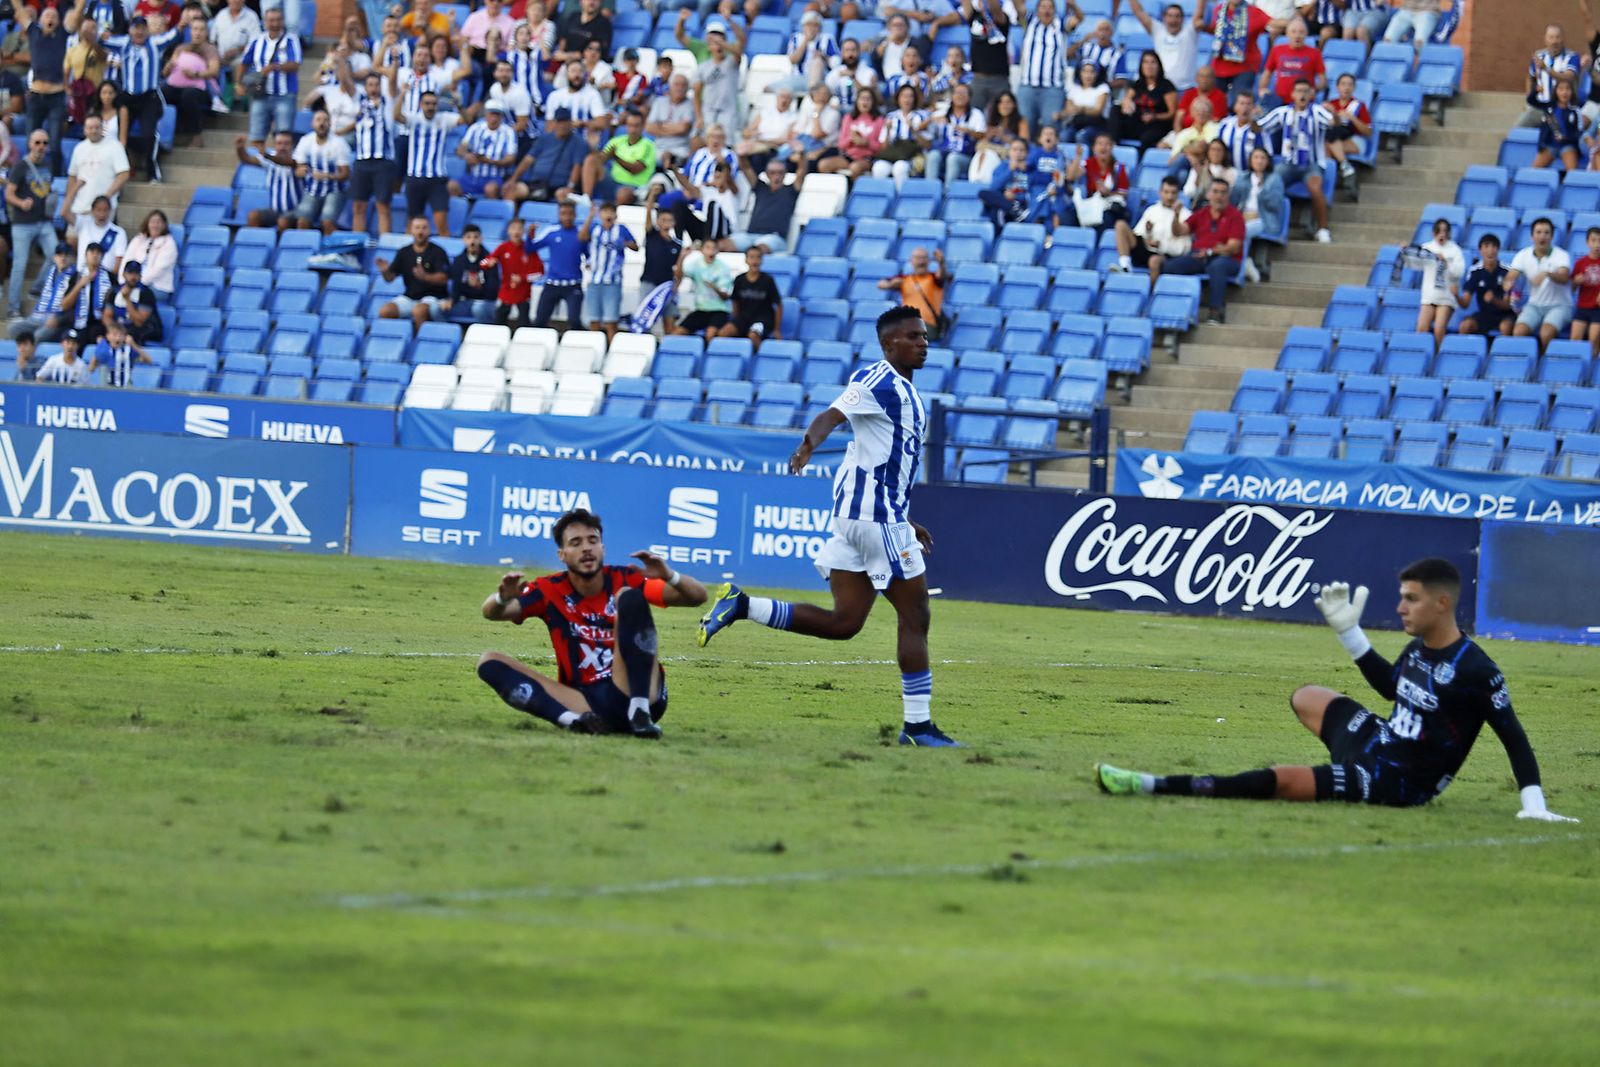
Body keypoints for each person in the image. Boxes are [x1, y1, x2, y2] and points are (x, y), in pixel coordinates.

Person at [1095, 559, 1578, 821]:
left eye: (1411, 599)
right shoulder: (1417, 648)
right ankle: (1345, 765)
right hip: (1379, 743)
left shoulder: (1476, 669)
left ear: (1442, 602)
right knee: (1307, 696)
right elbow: (1393, 690)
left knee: (1282, 780)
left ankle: (1150, 784)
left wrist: (1534, 806)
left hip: (1398, 783)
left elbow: (1513, 736)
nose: (1402, 607)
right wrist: (1352, 635)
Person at [699, 305, 959, 748]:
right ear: (888, 345)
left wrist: (906, 519)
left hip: (868, 518)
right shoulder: (876, 380)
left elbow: (879, 463)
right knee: (916, 615)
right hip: (874, 521)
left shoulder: (906, 393)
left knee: (845, 622)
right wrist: (806, 447)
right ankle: (918, 728)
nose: (922, 343)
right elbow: (831, 416)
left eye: (924, 336)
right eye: (912, 337)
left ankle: (743, 606)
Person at [477, 508, 710, 738]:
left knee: (630, 597)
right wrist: (501, 598)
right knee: (489, 662)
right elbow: (494, 612)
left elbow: (697, 596)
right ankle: (573, 722)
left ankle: (639, 712)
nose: (586, 548)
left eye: (592, 540)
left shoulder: (625, 578)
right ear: (562, 554)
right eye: (576, 543)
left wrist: (669, 575)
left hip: (640, 691)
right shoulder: (548, 589)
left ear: (602, 547)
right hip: (587, 702)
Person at [1255, 79, 1333, 243]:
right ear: (1292, 94)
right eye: (1298, 91)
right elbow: (1261, 127)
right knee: (1269, 183)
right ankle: (1267, 223)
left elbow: (1333, 122)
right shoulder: (1283, 112)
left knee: (1315, 187)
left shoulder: (1317, 111)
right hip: (1287, 163)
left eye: (1305, 91)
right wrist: (1250, 116)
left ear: (1311, 94)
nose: (1302, 94)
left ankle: (1323, 229)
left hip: (1312, 164)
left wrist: (1336, 115)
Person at [1164, 177, 1245, 324]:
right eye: (1215, 192)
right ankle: (1177, 310)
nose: (1219, 196)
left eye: (1223, 193)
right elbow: (1179, 231)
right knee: (1170, 266)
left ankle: (1215, 311)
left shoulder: (1236, 216)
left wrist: (1211, 251)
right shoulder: (1201, 213)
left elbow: (1233, 247)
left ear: (1228, 196)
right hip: (1200, 256)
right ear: (1208, 194)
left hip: (1227, 260)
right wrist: (1175, 216)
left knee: (1217, 266)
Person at [394, 87, 462, 236]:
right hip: (414, 178)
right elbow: (396, 116)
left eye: (433, 103)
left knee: (441, 223)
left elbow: (466, 120)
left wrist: (459, 104)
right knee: (412, 223)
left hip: (437, 179)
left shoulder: (444, 119)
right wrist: (403, 94)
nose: (430, 107)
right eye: (427, 103)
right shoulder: (414, 119)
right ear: (421, 105)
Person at [4, 129, 57, 320]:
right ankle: (13, 308)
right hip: (22, 223)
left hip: (43, 221)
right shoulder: (20, 167)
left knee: (56, 256)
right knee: (19, 265)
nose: (41, 147)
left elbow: (47, 188)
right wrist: (20, 203)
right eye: (37, 143)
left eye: (44, 143)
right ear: (29, 144)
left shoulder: (49, 164)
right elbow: (9, 194)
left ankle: (36, 288)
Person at [1064, 133, 1134, 267]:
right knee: (1069, 214)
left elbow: (1124, 194)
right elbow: (1071, 177)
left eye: (1107, 144)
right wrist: (1078, 157)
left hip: (1109, 207)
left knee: (1106, 219)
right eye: (1100, 144)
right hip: (1092, 207)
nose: (1103, 147)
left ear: (1112, 147)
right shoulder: (1089, 163)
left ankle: (1096, 257)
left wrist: (1108, 193)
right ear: (1094, 148)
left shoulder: (1119, 168)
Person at [1505, 216, 1573, 350]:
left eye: (1546, 233)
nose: (1542, 236)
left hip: (1560, 306)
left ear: (1552, 236)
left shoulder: (1561, 255)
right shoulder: (1523, 255)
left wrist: (1547, 274)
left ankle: (1544, 364)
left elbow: (1564, 277)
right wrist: (1509, 283)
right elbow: (1511, 276)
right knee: (1518, 332)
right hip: (1534, 305)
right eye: (1539, 232)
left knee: (1546, 333)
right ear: (1532, 236)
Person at [341, 70, 396, 236]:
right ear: (365, 87)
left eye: (377, 84)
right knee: (358, 205)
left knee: (383, 206)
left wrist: (393, 59)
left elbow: (393, 82)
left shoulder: (389, 102)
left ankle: (385, 243)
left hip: (383, 161)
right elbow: (346, 81)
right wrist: (341, 59)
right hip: (361, 160)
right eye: (370, 85)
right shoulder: (359, 102)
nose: (374, 88)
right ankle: (358, 243)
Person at [242, 8, 302, 152]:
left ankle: (283, 170)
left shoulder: (291, 40)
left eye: (278, 20)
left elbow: (295, 64)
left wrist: (276, 67)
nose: (275, 23)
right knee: (257, 136)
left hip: (285, 95)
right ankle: (258, 166)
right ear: (265, 22)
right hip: (260, 95)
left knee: (284, 136)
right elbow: (244, 62)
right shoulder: (257, 40)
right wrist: (239, 83)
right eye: (271, 20)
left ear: (283, 22)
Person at [61, 115, 131, 238]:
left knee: (98, 243)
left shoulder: (114, 146)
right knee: (72, 239)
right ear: (84, 129)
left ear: (102, 128)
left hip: (103, 208)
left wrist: (106, 197)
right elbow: (72, 176)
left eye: (97, 127)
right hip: (80, 205)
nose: (93, 130)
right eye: (90, 128)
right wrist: (70, 199)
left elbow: (124, 174)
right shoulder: (79, 148)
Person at [377, 215, 452, 329]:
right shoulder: (404, 252)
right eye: (417, 228)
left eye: (424, 228)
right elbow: (390, 278)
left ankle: (419, 341)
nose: (420, 231)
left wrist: (426, 277)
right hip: (409, 297)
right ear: (411, 230)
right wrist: (385, 271)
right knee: (385, 311)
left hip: (433, 297)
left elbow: (444, 278)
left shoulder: (438, 252)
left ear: (429, 230)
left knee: (419, 311)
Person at [21, 5, 71, 173]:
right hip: (35, 96)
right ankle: (29, 178)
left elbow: (77, 14)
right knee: (31, 141)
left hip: (56, 96)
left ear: (59, 21)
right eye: (47, 15)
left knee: (55, 143)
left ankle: (56, 178)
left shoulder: (63, 35)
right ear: (40, 20)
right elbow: (19, 11)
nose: (50, 19)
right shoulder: (34, 33)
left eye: (54, 16)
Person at [578, 200, 635, 340]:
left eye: (611, 211)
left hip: (613, 280)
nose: (608, 214)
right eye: (605, 211)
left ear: (616, 215)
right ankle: (594, 349)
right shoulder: (595, 228)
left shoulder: (621, 229)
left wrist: (625, 243)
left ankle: (611, 351)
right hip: (594, 280)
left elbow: (636, 246)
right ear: (600, 214)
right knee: (594, 320)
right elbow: (581, 237)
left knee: (611, 321)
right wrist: (590, 217)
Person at [505, 107, 588, 203]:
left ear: (570, 123)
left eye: (565, 122)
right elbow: (528, 160)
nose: (562, 125)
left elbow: (577, 167)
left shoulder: (578, 143)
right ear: (555, 123)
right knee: (511, 189)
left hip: (559, 186)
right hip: (537, 184)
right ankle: (513, 217)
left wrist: (570, 187)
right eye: (559, 122)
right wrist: (513, 179)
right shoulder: (544, 138)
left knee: (562, 195)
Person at [683, 13, 745, 141]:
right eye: (714, 43)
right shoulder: (703, 66)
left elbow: (741, 43)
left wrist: (729, 21)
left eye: (720, 41)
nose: (717, 46)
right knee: (700, 140)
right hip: (708, 111)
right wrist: (699, 116)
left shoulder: (732, 61)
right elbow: (696, 93)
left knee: (725, 143)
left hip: (728, 111)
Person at [290, 108, 352, 235]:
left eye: (325, 120)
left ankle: (330, 252)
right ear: (312, 124)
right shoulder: (305, 141)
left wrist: (327, 176)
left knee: (327, 222)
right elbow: (299, 168)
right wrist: (299, 172)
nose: (322, 123)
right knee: (302, 221)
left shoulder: (339, 143)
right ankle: (305, 250)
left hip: (335, 190)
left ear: (330, 124)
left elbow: (346, 174)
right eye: (318, 120)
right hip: (312, 190)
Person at [1015, 0, 1072, 134]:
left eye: (1050, 7)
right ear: (1037, 10)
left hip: (1053, 87)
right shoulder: (1029, 21)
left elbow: (1079, 19)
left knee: (1050, 126)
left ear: (1054, 10)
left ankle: (1050, 155)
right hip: (1028, 84)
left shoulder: (1061, 24)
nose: (1046, 10)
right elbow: (1018, 6)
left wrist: (1073, 5)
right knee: (1025, 126)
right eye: (1043, 7)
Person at [1195, 0, 1270, 102]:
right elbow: (1214, 29)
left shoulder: (1253, 12)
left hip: (1245, 66)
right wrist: (1202, 25)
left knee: (1239, 101)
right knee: (1213, 100)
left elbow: (1272, 23)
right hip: (1220, 65)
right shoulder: (1219, 10)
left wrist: (1293, 21)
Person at [528, 198, 585, 329]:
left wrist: (589, 263)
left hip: (573, 285)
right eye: (563, 213)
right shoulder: (552, 232)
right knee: (539, 321)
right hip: (552, 284)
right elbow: (530, 248)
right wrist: (530, 234)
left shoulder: (580, 234)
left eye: (570, 213)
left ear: (575, 215)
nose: (567, 217)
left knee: (574, 321)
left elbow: (588, 254)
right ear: (559, 215)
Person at [161, 21, 219, 148]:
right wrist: (168, 67)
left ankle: (197, 137)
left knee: (189, 95)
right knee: (161, 92)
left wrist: (196, 74)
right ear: (190, 32)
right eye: (195, 29)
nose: (198, 33)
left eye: (201, 30)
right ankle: (162, 133)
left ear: (206, 32)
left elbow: (214, 70)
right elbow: (166, 72)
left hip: (200, 88)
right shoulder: (181, 48)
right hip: (176, 85)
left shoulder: (210, 49)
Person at [1230, 144, 1283, 281]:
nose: (1259, 161)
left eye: (1263, 158)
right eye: (1256, 157)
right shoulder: (1243, 177)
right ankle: (1245, 261)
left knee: (1242, 230)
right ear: (1250, 160)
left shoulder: (1274, 179)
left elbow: (1275, 205)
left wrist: (1262, 191)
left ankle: (1239, 272)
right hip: (1242, 216)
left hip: (1263, 218)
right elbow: (1233, 201)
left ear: (1267, 161)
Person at [581, 108, 656, 205]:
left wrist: (616, 157)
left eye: (636, 126)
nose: (633, 130)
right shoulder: (617, 141)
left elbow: (636, 169)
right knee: (591, 160)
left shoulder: (648, 145)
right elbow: (601, 160)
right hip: (612, 182)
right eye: (630, 125)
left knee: (623, 194)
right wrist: (594, 147)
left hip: (634, 187)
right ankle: (586, 199)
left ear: (642, 126)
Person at [730, 156, 804, 253]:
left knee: (757, 250)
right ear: (767, 174)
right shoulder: (760, 188)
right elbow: (746, 168)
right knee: (722, 245)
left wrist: (802, 154)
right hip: (749, 236)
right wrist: (741, 155)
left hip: (774, 238)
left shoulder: (791, 191)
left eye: (780, 172)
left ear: (785, 174)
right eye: (772, 173)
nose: (776, 176)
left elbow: (802, 170)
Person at [1110, 50, 1178, 151]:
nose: (1149, 66)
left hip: (1158, 124)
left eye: (1152, 62)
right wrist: (1126, 102)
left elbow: (1172, 113)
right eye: (1145, 62)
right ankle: (1112, 145)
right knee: (1115, 109)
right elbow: (1127, 99)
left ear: (1159, 65)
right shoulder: (1137, 84)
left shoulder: (1166, 86)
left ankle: (1140, 162)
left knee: (1147, 138)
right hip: (1139, 121)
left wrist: (1155, 117)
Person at [451, 99, 518, 200]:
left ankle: (491, 213)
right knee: (452, 186)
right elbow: (460, 149)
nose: (494, 118)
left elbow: (510, 159)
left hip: (495, 177)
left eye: (497, 115)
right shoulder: (475, 128)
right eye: (492, 114)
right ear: (486, 114)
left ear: (502, 117)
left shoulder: (508, 132)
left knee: (490, 189)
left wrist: (490, 161)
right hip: (473, 176)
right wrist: (466, 156)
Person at [234, 131, 302, 231]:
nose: (282, 147)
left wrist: (266, 155)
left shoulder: (298, 158)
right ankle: (257, 245)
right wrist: (240, 149)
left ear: (292, 145)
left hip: (295, 211)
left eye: (286, 143)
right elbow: (247, 159)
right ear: (275, 145)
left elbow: (287, 162)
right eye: (279, 143)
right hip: (275, 211)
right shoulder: (270, 158)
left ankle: (281, 245)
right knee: (254, 216)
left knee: (283, 221)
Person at [1415, 217, 1466, 347]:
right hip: (1429, 295)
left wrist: (1446, 262)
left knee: (1439, 329)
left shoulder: (1455, 250)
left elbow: (1458, 273)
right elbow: (1416, 263)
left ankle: (1437, 357)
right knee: (1422, 328)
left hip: (1446, 297)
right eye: (1439, 231)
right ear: (1433, 233)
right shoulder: (1427, 247)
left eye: (1445, 231)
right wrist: (1405, 251)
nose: (1442, 234)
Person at [1127, 0, 1199, 90]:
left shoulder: (1190, 32)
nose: (1173, 20)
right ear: (1164, 18)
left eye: (1177, 16)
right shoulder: (1158, 31)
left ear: (1182, 19)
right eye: (1170, 16)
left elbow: (1199, 13)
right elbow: (1139, 12)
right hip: (1162, 90)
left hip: (1186, 88)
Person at [9, 244, 76, 341]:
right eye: (59, 254)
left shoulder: (75, 276)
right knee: (13, 328)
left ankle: (30, 354)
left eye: (66, 254)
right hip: (38, 317)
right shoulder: (51, 271)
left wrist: (59, 319)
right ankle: (21, 355)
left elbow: (73, 307)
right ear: (54, 257)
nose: (63, 257)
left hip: (56, 319)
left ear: (72, 257)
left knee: (37, 336)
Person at [1257, 16, 1324, 111]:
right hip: (1279, 100)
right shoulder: (1277, 50)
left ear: (1306, 34)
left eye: (1301, 32)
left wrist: (1314, 90)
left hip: (1303, 101)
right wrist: (1262, 89)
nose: (1297, 35)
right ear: (1287, 34)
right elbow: (1267, 73)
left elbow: (1323, 80)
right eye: (1293, 31)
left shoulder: (1315, 53)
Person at [485, 215, 542, 327]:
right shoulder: (503, 248)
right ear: (508, 231)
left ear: (523, 231)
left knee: (524, 322)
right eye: (513, 228)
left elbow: (539, 273)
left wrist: (523, 278)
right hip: (506, 290)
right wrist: (488, 263)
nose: (516, 231)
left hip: (523, 293)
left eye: (519, 228)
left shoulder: (529, 250)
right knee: (499, 320)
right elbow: (484, 262)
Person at [1133, 175, 1192, 282]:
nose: (1169, 197)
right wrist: (1148, 241)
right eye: (1166, 192)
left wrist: (1176, 215)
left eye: (1173, 193)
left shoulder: (1186, 215)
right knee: (1121, 226)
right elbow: (1139, 233)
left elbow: (1182, 245)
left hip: (1171, 257)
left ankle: (1151, 294)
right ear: (1160, 193)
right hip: (1148, 251)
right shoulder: (1151, 210)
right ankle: (1124, 266)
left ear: (1178, 194)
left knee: (1154, 261)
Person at [723, 244, 782, 349]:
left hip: (762, 320)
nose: (755, 261)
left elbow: (779, 305)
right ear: (746, 260)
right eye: (751, 257)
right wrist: (735, 322)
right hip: (744, 318)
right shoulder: (739, 280)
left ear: (762, 260)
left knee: (753, 336)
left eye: (758, 257)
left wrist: (777, 329)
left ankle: (762, 358)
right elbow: (735, 302)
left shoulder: (768, 280)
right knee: (724, 333)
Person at [878, 245, 948, 333]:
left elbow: (942, 276)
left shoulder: (933, 278)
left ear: (929, 261)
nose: (921, 261)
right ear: (911, 261)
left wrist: (941, 263)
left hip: (927, 325)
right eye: (917, 258)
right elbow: (880, 284)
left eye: (924, 258)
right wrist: (890, 284)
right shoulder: (904, 279)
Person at [673, 234, 732, 339]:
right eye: (708, 248)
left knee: (711, 334)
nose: (711, 251)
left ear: (717, 250)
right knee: (678, 333)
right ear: (702, 250)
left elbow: (726, 296)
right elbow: (678, 275)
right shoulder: (696, 264)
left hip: (719, 310)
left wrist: (714, 288)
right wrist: (682, 257)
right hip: (701, 310)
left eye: (714, 248)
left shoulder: (723, 269)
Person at [1456, 234, 1514, 338]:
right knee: (1465, 326)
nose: (1490, 250)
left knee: (1505, 327)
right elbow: (1465, 304)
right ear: (1480, 250)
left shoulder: (1507, 271)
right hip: (1484, 314)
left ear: (1498, 249)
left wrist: (1494, 300)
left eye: (1494, 246)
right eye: (1486, 246)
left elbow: (1508, 305)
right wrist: (1455, 295)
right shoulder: (1475, 271)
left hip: (1505, 315)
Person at [819, 86, 884, 178]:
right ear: (857, 101)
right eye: (862, 98)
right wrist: (852, 139)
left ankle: (852, 191)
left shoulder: (879, 120)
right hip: (849, 156)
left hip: (867, 158)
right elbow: (841, 144)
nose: (864, 102)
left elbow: (881, 147)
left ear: (873, 102)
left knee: (855, 168)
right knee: (823, 164)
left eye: (868, 99)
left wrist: (866, 143)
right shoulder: (848, 117)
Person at [963, 0, 1015, 112]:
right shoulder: (974, 18)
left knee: (1004, 116)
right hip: (978, 79)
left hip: (999, 80)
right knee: (973, 115)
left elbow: (995, 10)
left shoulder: (1001, 19)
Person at [61, 240, 114, 344]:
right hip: (78, 322)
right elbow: (64, 305)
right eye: (92, 252)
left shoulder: (110, 277)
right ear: (86, 255)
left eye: (98, 253)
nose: (95, 255)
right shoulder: (76, 276)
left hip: (100, 324)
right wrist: (79, 285)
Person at [1324, 72, 1371, 182]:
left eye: (1350, 85)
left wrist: (1352, 118)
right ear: (1337, 87)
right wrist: (1333, 114)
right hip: (1336, 138)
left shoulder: (1359, 105)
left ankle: (1333, 176)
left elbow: (1368, 132)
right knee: (1327, 141)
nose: (1346, 88)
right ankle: (1345, 169)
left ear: (1354, 88)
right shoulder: (1331, 104)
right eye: (1343, 84)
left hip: (1354, 140)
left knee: (1328, 143)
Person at [1534, 79, 1586, 171]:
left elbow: (1579, 133)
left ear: (1572, 92)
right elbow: (1531, 101)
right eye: (1561, 89)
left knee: (1572, 172)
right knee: (1533, 171)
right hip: (1550, 146)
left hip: (1567, 146)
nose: (1564, 92)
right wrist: (1535, 91)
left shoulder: (1575, 111)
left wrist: (1565, 138)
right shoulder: (1550, 108)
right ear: (1556, 91)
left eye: (1567, 89)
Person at [106, 258, 162, 344]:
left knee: (132, 333)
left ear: (140, 275)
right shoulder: (114, 291)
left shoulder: (146, 293)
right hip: (119, 327)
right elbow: (106, 316)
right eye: (130, 273)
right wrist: (113, 331)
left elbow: (139, 322)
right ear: (124, 274)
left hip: (140, 329)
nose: (133, 277)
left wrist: (127, 299)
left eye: (136, 273)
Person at [645, 73, 695, 167]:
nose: (680, 88)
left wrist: (660, 126)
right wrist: (674, 128)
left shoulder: (690, 105)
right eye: (677, 84)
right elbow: (649, 127)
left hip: (680, 149)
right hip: (658, 147)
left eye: (683, 85)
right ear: (670, 86)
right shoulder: (659, 101)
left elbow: (683, 129)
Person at [73, 195, 127, 275]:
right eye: (99, 210)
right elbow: (64, 213)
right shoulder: (83, 223)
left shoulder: (118, 232)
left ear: (110, 211)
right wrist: (76, 187)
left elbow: (120, 260)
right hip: (82, 276)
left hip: (105, 281)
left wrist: (111, 280)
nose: (102, 214)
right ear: (92, 210)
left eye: (105, 210)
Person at [88, 317, 151, 386]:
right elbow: (91, 369)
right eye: (114, 335)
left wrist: (134, 345)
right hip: (107, 388)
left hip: (126, 388)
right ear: (108, 336)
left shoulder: (128, 350)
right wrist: (99, 347)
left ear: (125, 337)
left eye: (121, 335)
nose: (118, 338)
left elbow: (148, 360)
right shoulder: (104, 350)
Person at [1059, 60, 1108, 145]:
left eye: (1092, 72)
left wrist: (1081, 109)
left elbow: (1097, 111)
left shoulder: (1103, 88)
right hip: (1076, 123)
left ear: (1097, 73)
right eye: (1085, 71)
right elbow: (1069, 109)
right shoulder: (1074, 88)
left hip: (1096, 125)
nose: (1088, 75)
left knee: (1082, 136)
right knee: (1064, 135)